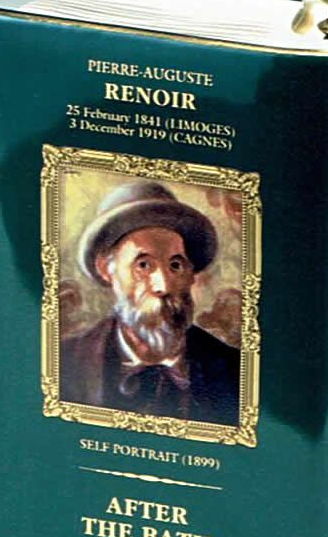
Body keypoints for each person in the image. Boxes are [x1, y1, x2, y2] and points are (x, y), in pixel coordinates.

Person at [60, 181, 240, 426]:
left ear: (191, 274)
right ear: (106, 269)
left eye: (175, 265)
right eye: (143, 265)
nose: (163, 286)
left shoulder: (234, 369)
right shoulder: (66, 361)